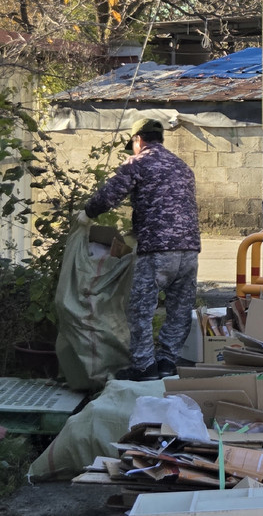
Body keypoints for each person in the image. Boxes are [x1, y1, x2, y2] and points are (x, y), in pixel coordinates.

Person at [78, 118, 201, 381]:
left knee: (140, 309)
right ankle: (167, 362)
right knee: (179, 309)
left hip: (157, 249)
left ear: (138, 140)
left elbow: (111, 194)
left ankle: (144, 366)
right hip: (190, 250)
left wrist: (88, 214)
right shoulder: (182, 166)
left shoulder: (138, 162)